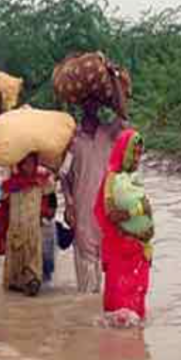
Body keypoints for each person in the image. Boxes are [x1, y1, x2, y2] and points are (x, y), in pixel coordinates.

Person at [62, 98, 128, 294]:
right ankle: (86, 313)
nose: (91, 110)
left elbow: (124, 116)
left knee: (107, 263)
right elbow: (64, 175)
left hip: (106, 209)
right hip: (82, 210)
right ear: (81, 110)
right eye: (87, 106)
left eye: (94, 106)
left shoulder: (109, 134)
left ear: (100, 109)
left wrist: (115, 85)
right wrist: (68, 203)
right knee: (86, 266)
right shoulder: (73, 141)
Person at [94, 130, 155, 327]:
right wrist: (138, 210)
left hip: (138, 252)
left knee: (136, 315)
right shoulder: (112, 178)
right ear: (123, 152)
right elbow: (111, 214)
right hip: (120, 252)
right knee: (119, 313)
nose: (137, 158)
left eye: (140, 153)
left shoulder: (132, 179)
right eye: (133, 153)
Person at [1, 153, 56, 296]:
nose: (28, 166)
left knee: (33, 270)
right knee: (14, 280)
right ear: (19, 164)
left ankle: (33, 282)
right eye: (24, 163)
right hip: (15, 231)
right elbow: (0, 195)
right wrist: (8, 169)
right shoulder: (11, 183)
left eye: (31, 163)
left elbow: (52, 187)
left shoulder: (40, 182)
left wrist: (48, 172)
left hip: (33, 232)